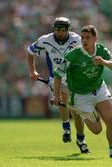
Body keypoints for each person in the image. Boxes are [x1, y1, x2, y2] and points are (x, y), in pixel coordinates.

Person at [53, 25, 112, 158]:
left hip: (99, 89)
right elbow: (57, 74)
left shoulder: (101, 50)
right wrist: (56, 95)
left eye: (88, 38)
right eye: (82, 38)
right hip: (80, 95)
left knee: (111, 120)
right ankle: (80, 110)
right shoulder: (73, 55)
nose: (84, 40)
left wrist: (104, 62)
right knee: (97, 130)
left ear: (95, 38)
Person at [26, 17, 89, 153]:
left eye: (62, 30)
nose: (59, 33)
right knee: (61, 99)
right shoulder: (45, 40)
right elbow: (30, 51)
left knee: (76, 112)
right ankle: (66, 128)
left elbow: (87, 55)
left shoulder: (77, 40)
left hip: (74, 79)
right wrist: (32, 70)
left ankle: (80, 139)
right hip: (56, 78)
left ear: (68, 30)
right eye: (57, 29)